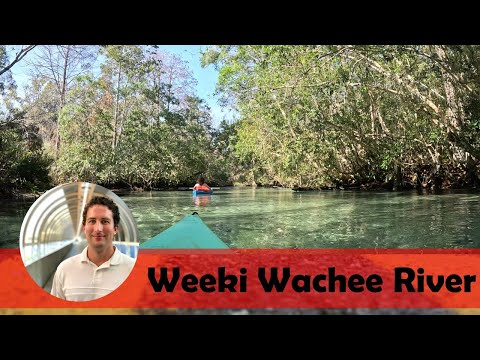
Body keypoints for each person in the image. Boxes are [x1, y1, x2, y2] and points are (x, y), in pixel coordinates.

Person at [50, 196, 135, 301]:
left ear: (115, 229)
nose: (98, 229)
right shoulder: (64, 270)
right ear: (84, 228)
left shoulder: (133, 270)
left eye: (105, 221)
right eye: (92, 221)